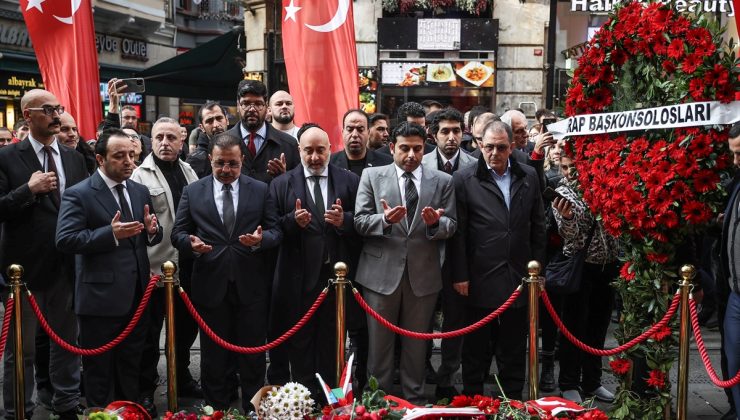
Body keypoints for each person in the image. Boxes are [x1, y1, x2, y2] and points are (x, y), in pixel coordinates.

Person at [171, 133, 282, 412]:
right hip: (210, 285)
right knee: (213, 358)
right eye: (220, 163)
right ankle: (216, 411)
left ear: (242, 161)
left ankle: (254, 411)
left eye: (232, 164)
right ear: (210, 160)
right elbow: (178, 233)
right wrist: (191, 244)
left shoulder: (260, 189)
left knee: (253, 357)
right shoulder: (193, 191)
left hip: (251, 285)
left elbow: (275, 231)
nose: (226, 170)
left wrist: (261, 241)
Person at [55, 128, 162, 411]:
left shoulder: (139, 190)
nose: (128, 161)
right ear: (100, 159)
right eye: (119, 156)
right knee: (99, 373)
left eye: (131, 154)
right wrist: (110, 234)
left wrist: (152, 231)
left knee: (130, 367)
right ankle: (101, 415)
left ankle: (128, 413)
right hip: (99, 301)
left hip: (137, 297)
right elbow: (65, 239)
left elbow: (146, 233)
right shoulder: (79, 194)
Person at [0, 89, 88, 420]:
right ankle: (16, 410)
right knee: (19, 350)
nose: (55, 114)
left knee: (66, 343)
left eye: (59, 108)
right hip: (23, 272)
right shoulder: (8, 157)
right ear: (28, 115)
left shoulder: (74, 158)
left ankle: (66, 404)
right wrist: (27, 190)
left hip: (66, 267)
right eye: (48, 109)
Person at [354, 121, 456, 404]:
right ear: (391, 148)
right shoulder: (372, 176)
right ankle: (379, 400)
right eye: (404, 148)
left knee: (417, 344)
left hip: (422, 275)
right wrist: (384, 220)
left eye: (417, 149)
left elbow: (452, 223)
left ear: (425, 148)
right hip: (379, 275)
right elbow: (359, 221)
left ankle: (414, 400)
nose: (411, 155)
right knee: (379, 345)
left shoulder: (443, 181)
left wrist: (436, 224)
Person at [450, 120, 546, 401]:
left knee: (514, 347)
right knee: (476, 348)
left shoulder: (528, 175)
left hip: (519, 276)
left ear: (512, 147)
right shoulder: (464, 179)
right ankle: (473, 401)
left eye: (501, 147)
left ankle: (512, 403)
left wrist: (538, 272)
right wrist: (460, 275)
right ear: (480, 145)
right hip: (479, 276)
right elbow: (459, 233)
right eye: (489, 147)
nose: (494, 153)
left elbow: (538, 226)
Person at [269, 123, 360, 396]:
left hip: (337, 279)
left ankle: (331, 398)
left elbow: (363, 224)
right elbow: (272, 228)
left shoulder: (349, 180)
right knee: (300, 342)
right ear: (299, 151)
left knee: (332, 342)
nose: (315, 157)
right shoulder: (281, 184)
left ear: (331, 149)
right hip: (298, 279)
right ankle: (304, 397)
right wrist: (292, 222)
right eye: (308, 151)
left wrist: (344, 221)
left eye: (321, 150)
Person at [130, 117, 202, 411]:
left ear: (182, 141)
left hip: (187, 267)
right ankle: (146, 388)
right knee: (149, 335)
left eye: (171, 137)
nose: (165, 143)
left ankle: (182, 376)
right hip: (154, 269)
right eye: (159, 137)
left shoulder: (189, 172)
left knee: (185, 330)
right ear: (151, 140)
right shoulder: (139, 176)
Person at [551, 154, 619, 404]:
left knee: (598, 328)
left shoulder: (604, 184)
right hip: (580, 267)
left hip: (608, 265)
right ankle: (569, 382)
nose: (569, 172)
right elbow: (570, 236)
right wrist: (568, 218)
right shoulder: (563, 192)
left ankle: (592, 381)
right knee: (574, 327)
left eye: (574, 167)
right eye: (565, 167)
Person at [419, 108, 476, 400]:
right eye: (445, 131)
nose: (452, 137)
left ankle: (447, 378)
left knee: (456, 323)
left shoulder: (474, 164)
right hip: (425, 257)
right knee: (422, 321)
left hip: (460, 259)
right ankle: (420, 372)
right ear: (433, 134)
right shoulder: (421, 161)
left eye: (456, 131)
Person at [227, 80, 300, 184]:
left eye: (258, 104)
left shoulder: (289, 144)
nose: (252, 109)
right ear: (238, 106)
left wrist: (283, 178)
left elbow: (298, 187)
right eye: (246, 103)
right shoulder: (221, 143)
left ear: (266, 107)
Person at [721, 122, 740, 420]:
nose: (735, 161)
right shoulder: (737, 182)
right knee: (733, 362)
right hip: (736, 293)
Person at [330, 109, 392, 177]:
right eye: (350, 129)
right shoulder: (329, 164)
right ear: (343, 132)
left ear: (368, 133)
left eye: (360, 130)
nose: (355, 134)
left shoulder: (387, 164)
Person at [186, 101, 229, 178]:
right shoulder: (195, 160)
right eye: (209, 121)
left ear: (227, 120)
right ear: (202, 127)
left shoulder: (240, 149)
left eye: (219, 118)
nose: (216, 125)